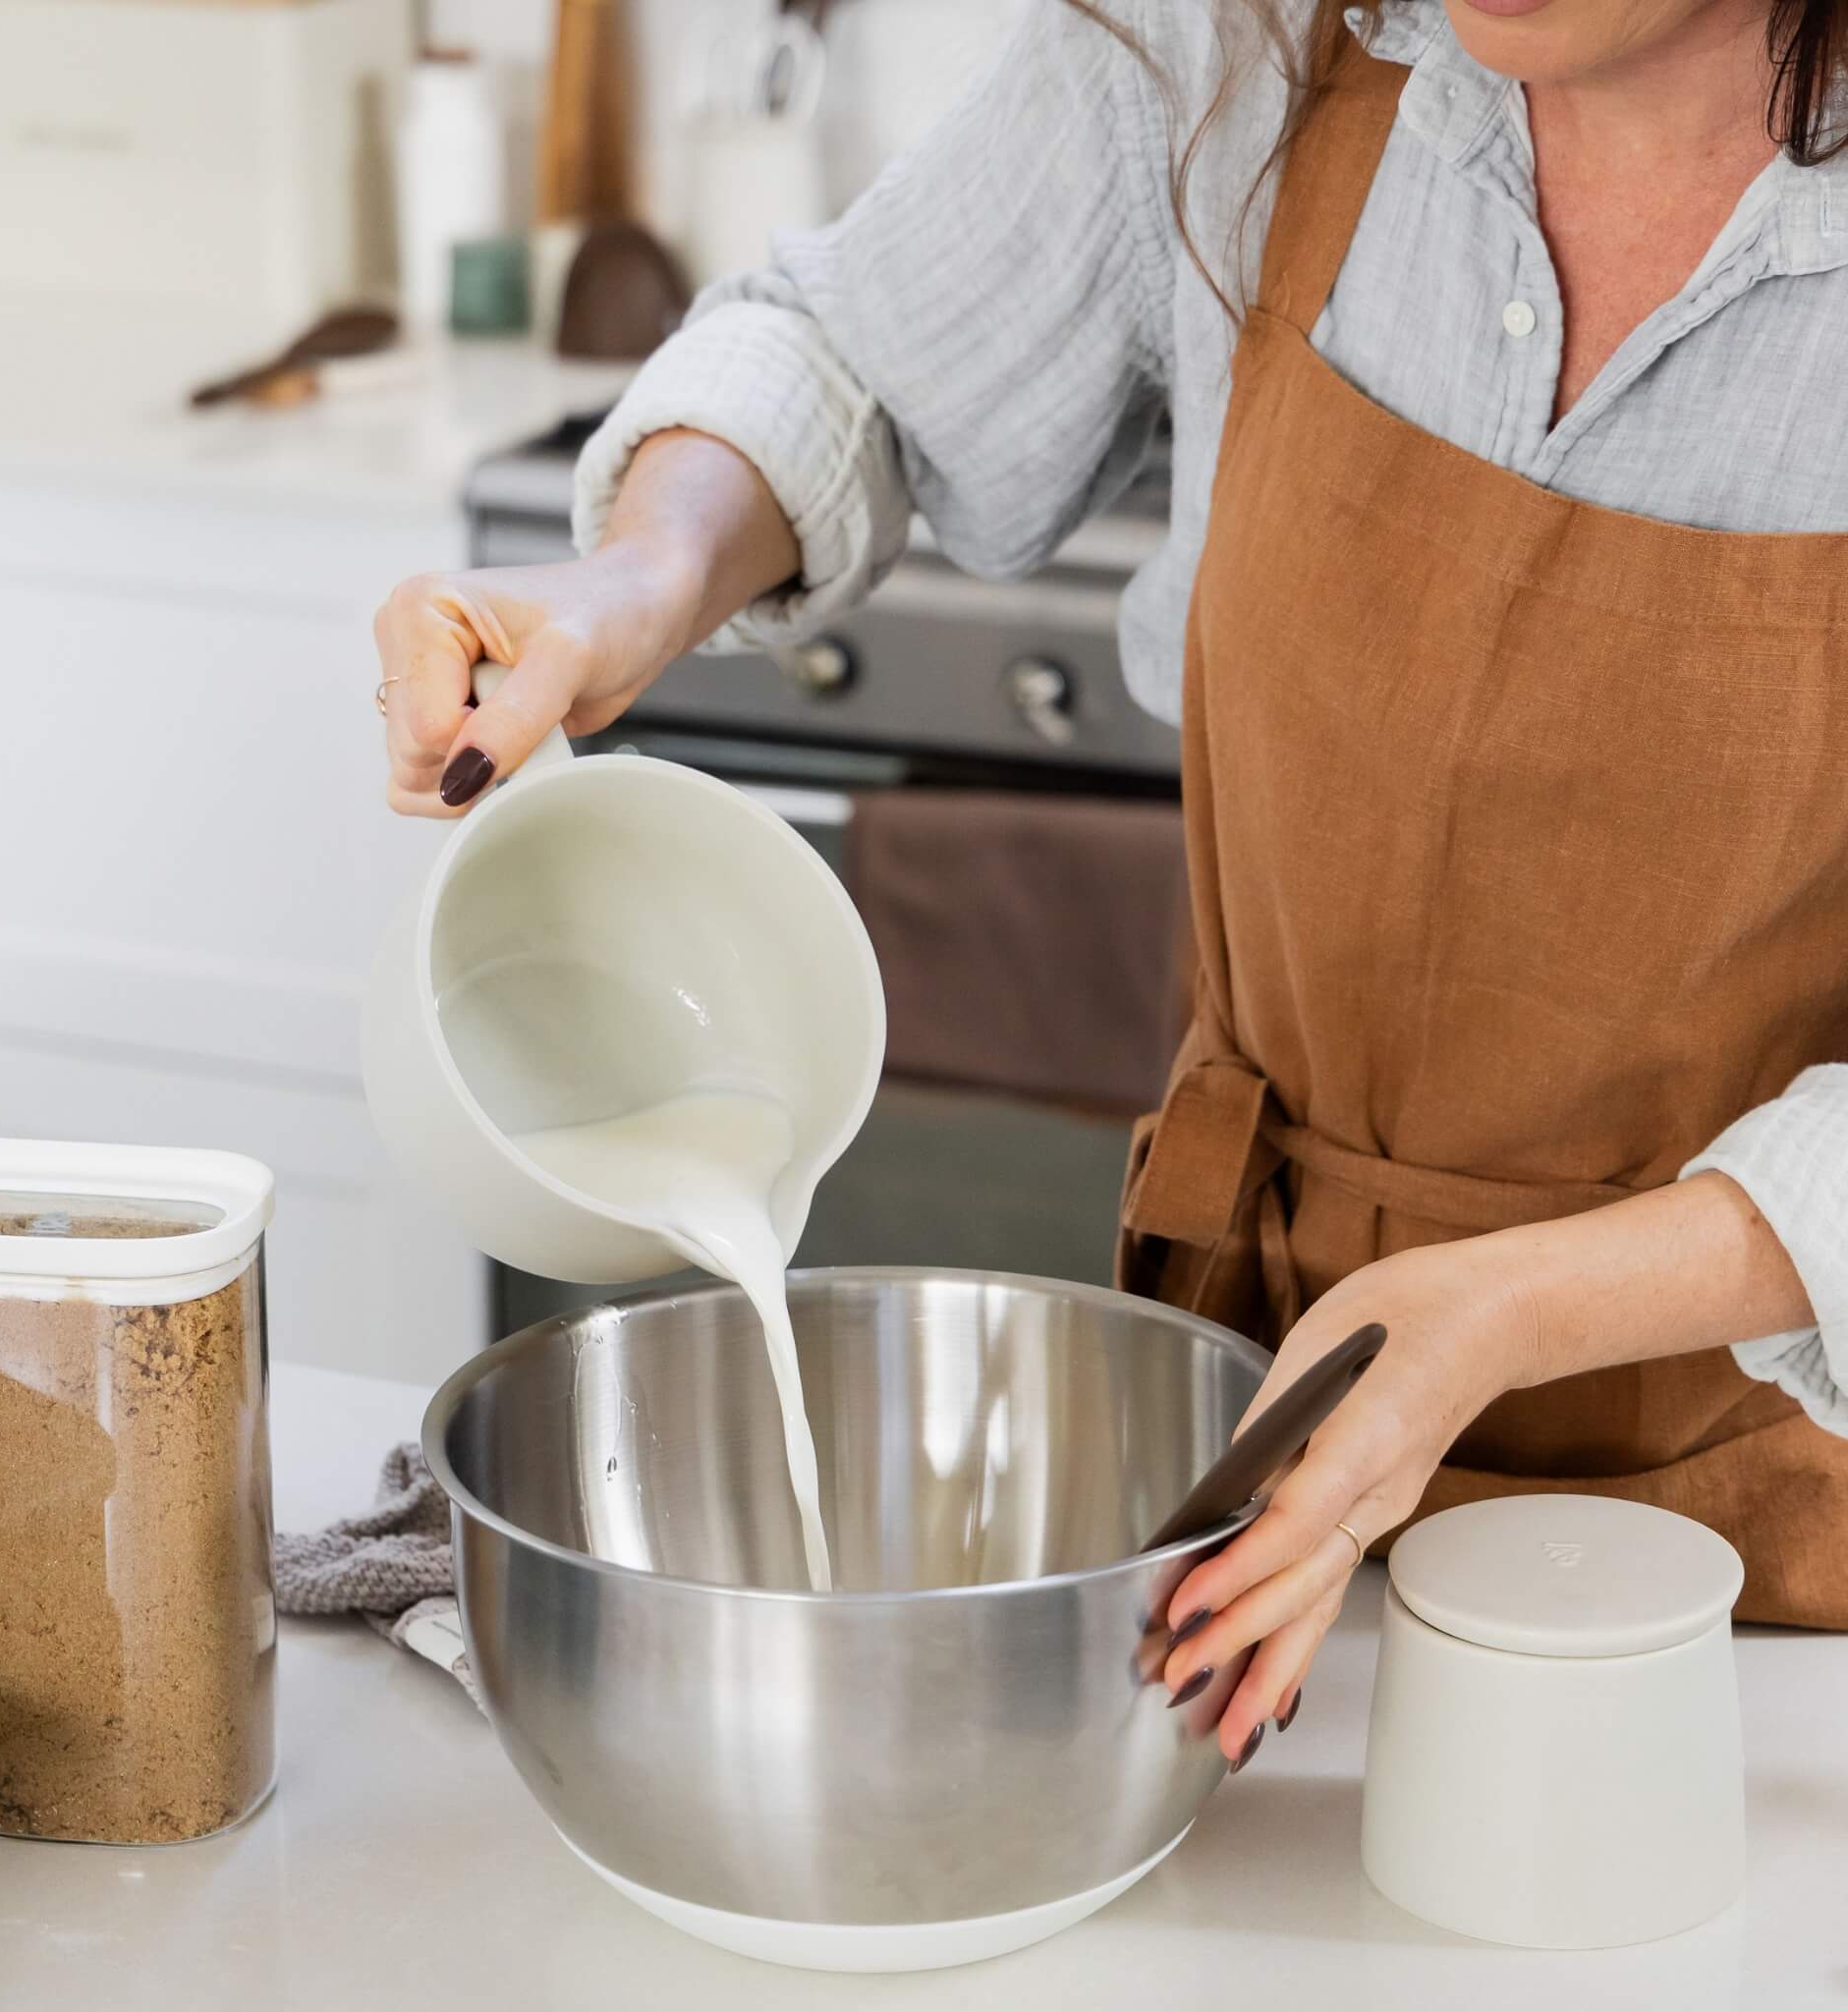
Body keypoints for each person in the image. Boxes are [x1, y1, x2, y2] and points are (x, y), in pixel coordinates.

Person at [373, 0, 1848, 1772]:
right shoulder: (1252, 44)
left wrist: (1518, 1304)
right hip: (1245, 1480)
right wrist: (636, 576)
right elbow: (851, 356)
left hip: (1763, 1589)